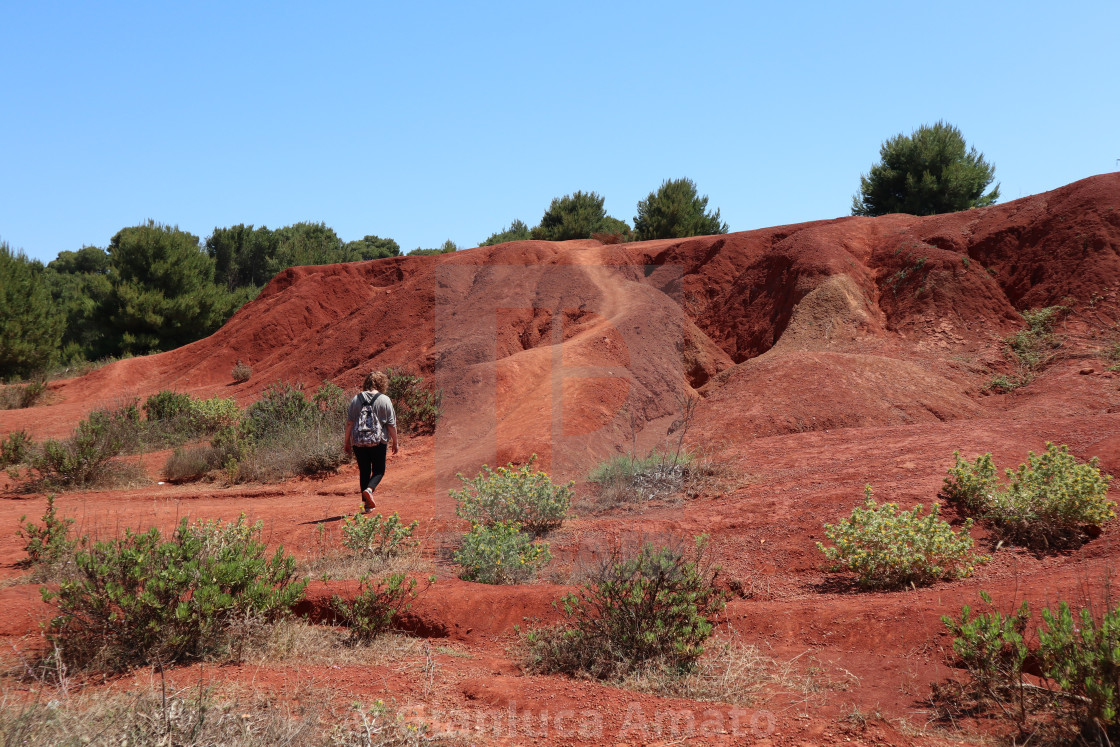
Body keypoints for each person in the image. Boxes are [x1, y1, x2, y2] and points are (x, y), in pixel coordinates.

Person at [344, 371, 398, 513]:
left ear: (366, 383)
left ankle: (366, 506)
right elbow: (391, 425)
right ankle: (369, 489)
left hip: (358, 441)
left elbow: (350, 423)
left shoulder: (356, 399)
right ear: (382, 383)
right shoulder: (384, 399)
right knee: (379, 470)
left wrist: (347, 442)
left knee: (365, 471)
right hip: (378, 441)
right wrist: (395, 442)